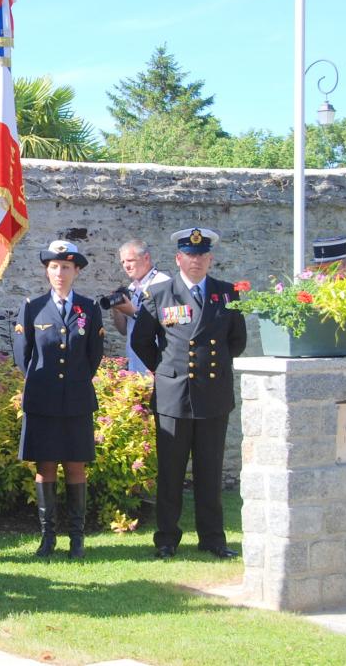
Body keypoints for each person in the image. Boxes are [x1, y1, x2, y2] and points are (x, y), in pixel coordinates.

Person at [130, 227, 247, 560]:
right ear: (178, 258)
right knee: (171, 472)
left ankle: (212, 538)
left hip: (213, 395)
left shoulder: (227, 294)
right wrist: (167, 370)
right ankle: (166, 538)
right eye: (190, 255)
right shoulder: (160, 294)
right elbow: (141, 341)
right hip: (173, 395)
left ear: (210, 258)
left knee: (210, 472)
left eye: (202, 255)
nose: (196, 261)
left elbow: (237, 342)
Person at [13, 240, 105, 559]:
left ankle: (77, 539)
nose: (59, 273)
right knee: (46, 466)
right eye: (54, 266)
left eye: (66, 267)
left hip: (77, 400)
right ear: (47, 271)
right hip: (42, 401)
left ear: (76, 270)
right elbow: (23, 356)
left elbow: (94, 355)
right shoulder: (32, 306)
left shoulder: (89, 308)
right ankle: (47, 537)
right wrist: (46, 384)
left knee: (76, 466)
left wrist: (74, 383)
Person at [108, 238, 172, 373]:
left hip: (156, 365)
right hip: (135, 365)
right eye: (123, 262)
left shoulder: (164, 284)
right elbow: (124, 330)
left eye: (130, 260)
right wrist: (117, 309)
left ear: (146, 258)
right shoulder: (133, 287)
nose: (126, 266)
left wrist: (133, 312)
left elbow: (167, 326)